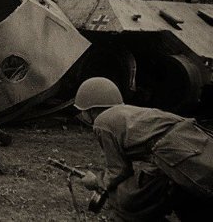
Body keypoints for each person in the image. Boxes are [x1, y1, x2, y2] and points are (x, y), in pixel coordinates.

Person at [74, 77, 213, 221]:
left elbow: (119, 171)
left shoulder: (102, 122)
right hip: (197, 145)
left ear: (89, 109)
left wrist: (96, 181)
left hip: (171, 156)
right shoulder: (126, 112)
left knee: (125, 203)